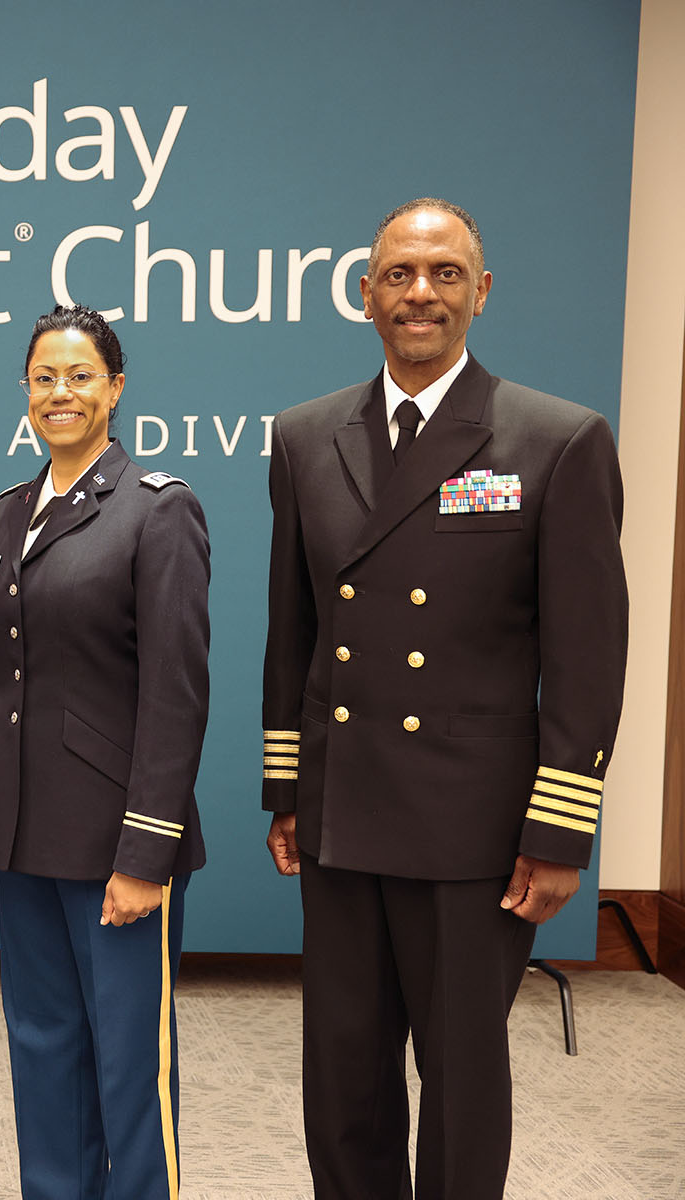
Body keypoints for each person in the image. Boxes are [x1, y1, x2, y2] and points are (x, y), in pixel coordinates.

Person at [261, 198, 629, 1200]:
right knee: (342, 1078)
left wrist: (560, 829)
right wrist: (286, 791)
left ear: (481, 291)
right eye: (399, 275)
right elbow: (292, 631)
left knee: (461, 1082)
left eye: (445, 273)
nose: (421, 294)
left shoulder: (556, 440)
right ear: (366, 293)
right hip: (342, 814)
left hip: (476, 831)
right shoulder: (303, 438)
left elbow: (588, 654)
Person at [0, 305, 210, 1200]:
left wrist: (146, 854)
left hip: (114, 846)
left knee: (130, 1069)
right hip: (21, 836)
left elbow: (176, 697)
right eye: (45, 377)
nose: (61, 392)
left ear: (116, 388)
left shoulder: (157, 510)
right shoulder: (7, 512)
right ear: (25, 392)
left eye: (81, 375)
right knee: (43, 1051)